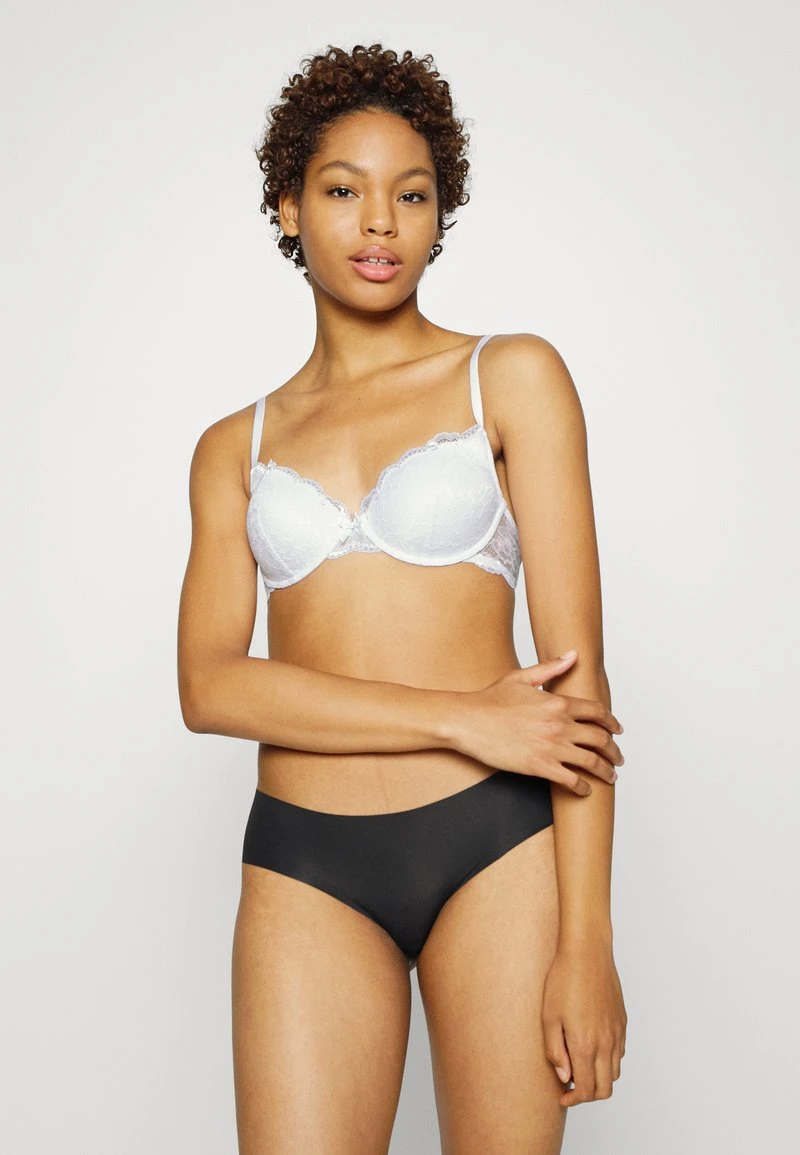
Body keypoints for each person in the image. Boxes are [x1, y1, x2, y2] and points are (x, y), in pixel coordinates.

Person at [177, 41, 627, 1155]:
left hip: (497, 847)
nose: (379, 222)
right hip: (304, 859)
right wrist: (460, 716)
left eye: (411, 195)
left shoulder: (510, 377)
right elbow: (210, 687)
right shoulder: (234, 446)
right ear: (288, 208)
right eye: (343, 191)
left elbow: (578, 692)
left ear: (439, 215)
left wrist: (587, 943)